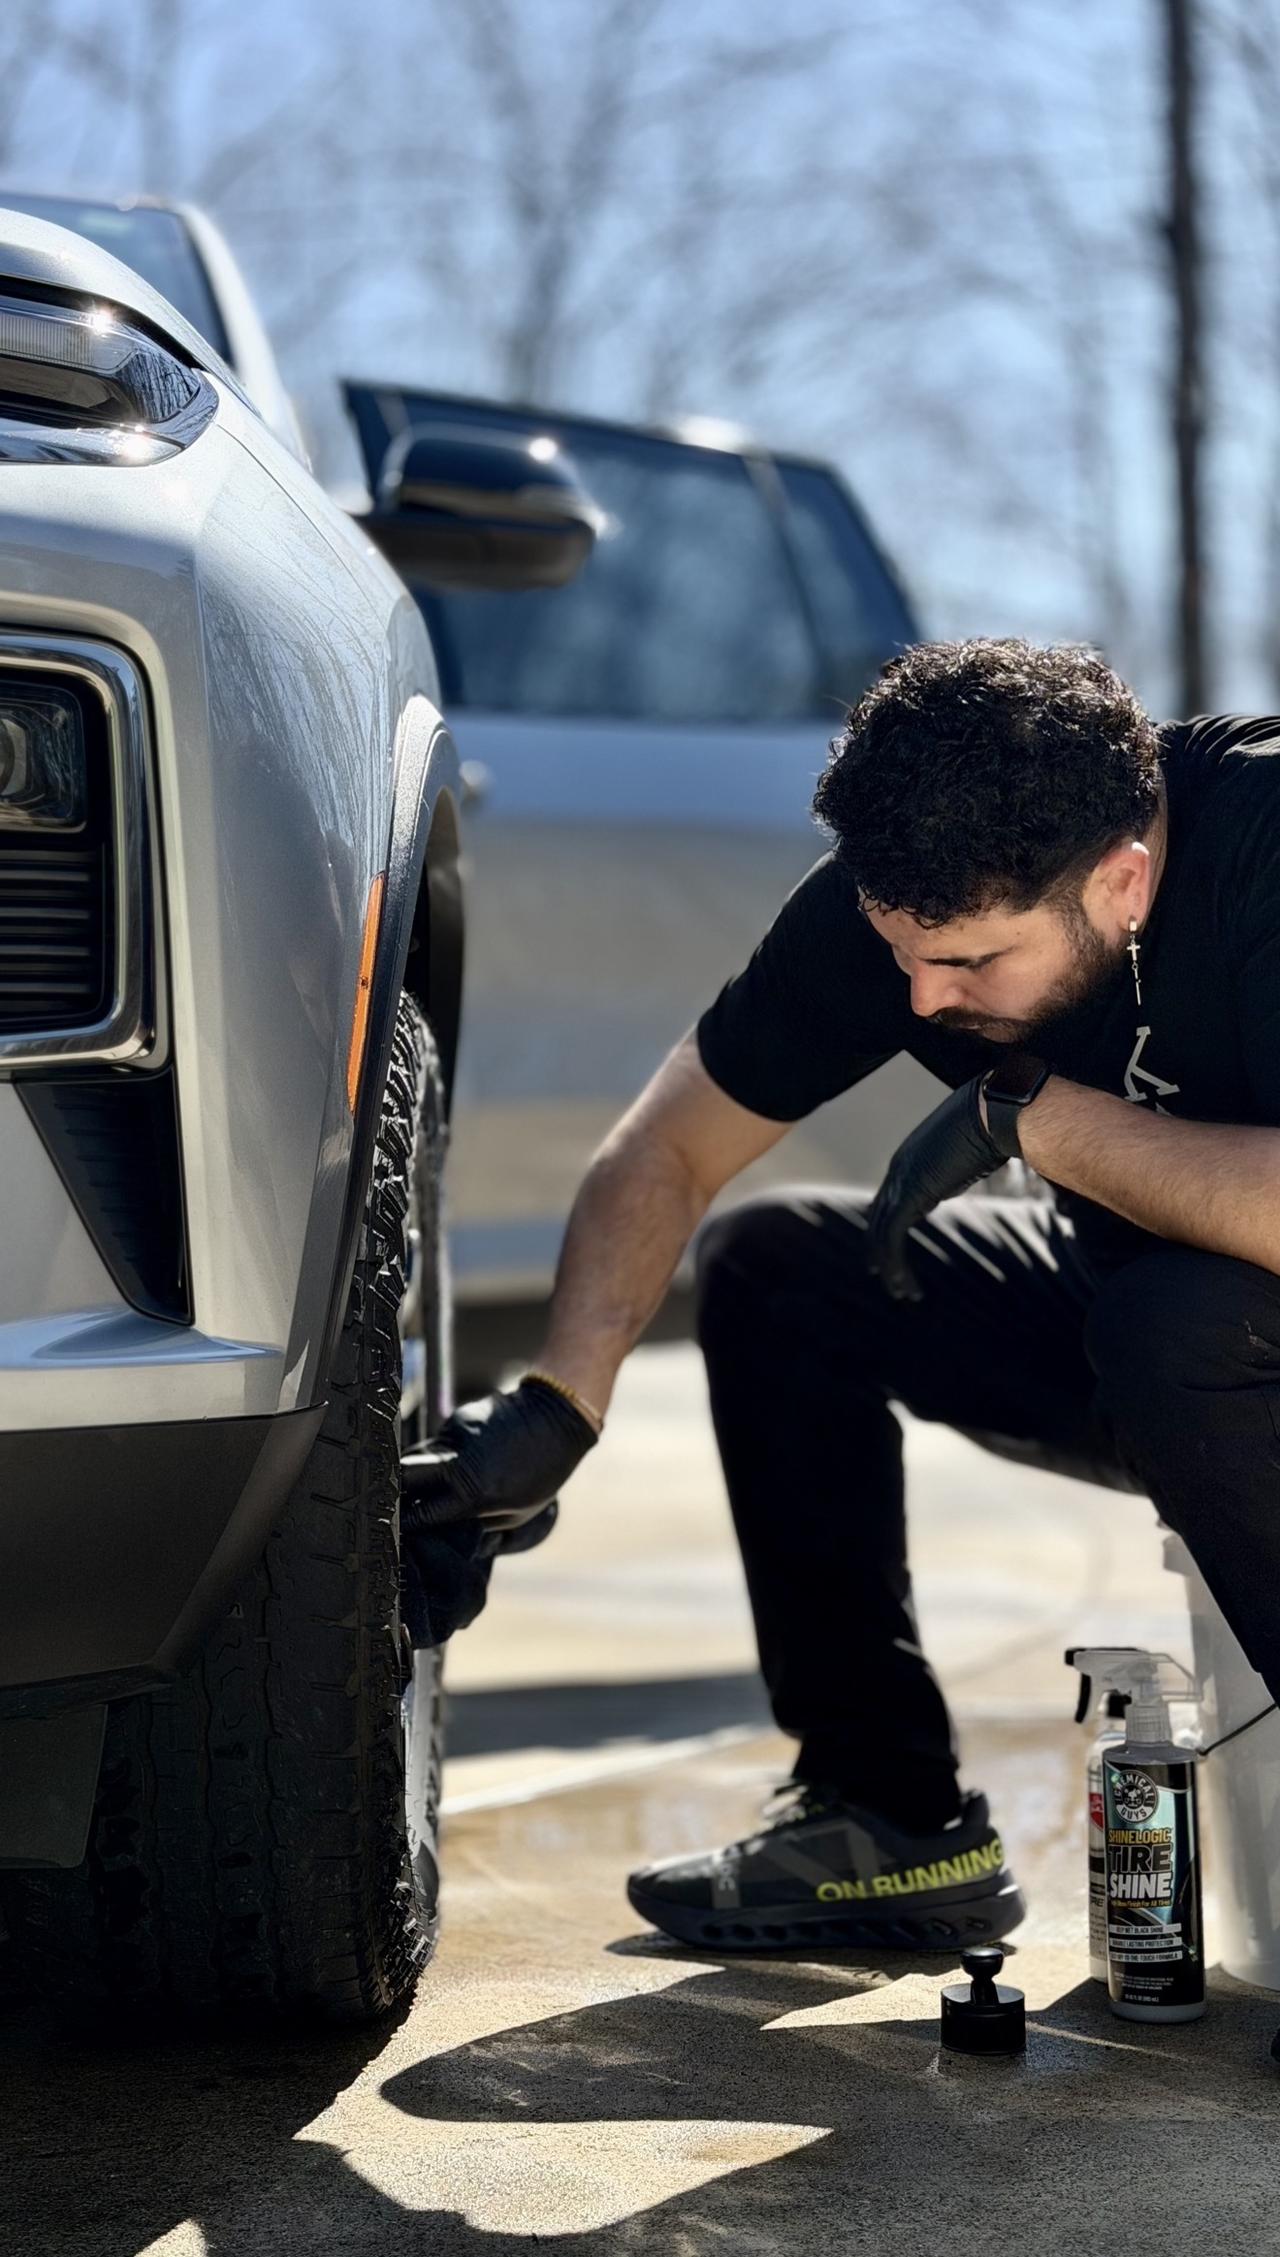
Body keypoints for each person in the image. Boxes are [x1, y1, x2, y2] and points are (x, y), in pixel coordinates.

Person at [402, 636, 1280, 1954]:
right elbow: (666, 1147)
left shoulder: (1264, 839)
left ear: (1125, 879)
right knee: (781, 1267)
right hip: (1140, 1335)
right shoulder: (904, 913)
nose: (923, 996)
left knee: (1172, 1326)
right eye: (900, 952)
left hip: (1218, 1338)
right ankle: (887, 1819)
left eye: (972, 965)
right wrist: (557, 1403)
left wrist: (1034, 1117)